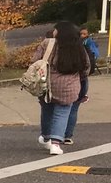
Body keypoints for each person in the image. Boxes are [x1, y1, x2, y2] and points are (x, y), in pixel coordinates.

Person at [34, 21, 90, 156]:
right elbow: (86, 67)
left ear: (58, 32)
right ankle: (56, 143)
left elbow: (35, 60)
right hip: (69, 85)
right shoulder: (78, 47)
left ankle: (46, 136)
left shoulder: (48, 43)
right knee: (62, 113)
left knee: (47, 110)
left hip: (47, 84)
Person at [67, 28, 96, 143]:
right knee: (74, 108)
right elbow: (89, 65)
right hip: (82, 80)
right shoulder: (84, 48)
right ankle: (67, 135)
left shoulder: (63, 49)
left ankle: (55, 135)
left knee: (61, 109)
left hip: (66, 81)